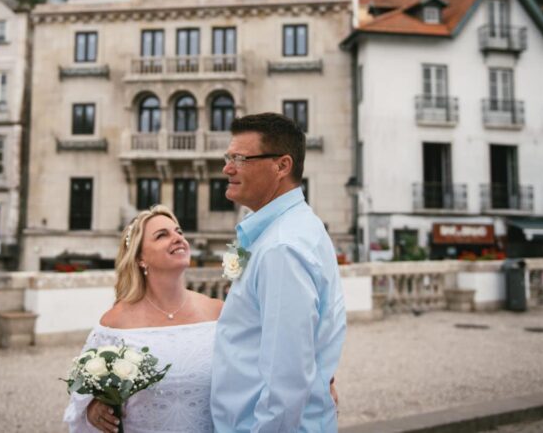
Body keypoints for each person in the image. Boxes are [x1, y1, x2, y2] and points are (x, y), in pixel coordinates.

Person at [211, 112, 347, 431]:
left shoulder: (282, 248)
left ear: (282, 166)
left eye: (241, 158)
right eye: (228, 157)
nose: (227, 168)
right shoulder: (291, 230)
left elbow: (286, 383)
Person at [64, 205, 222, 433]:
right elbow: (82, 400)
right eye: (162, 235)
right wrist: (92, 409)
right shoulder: (115, 324)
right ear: (140, 258)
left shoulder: (217, 312)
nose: (178, 238)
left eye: (179, 232)